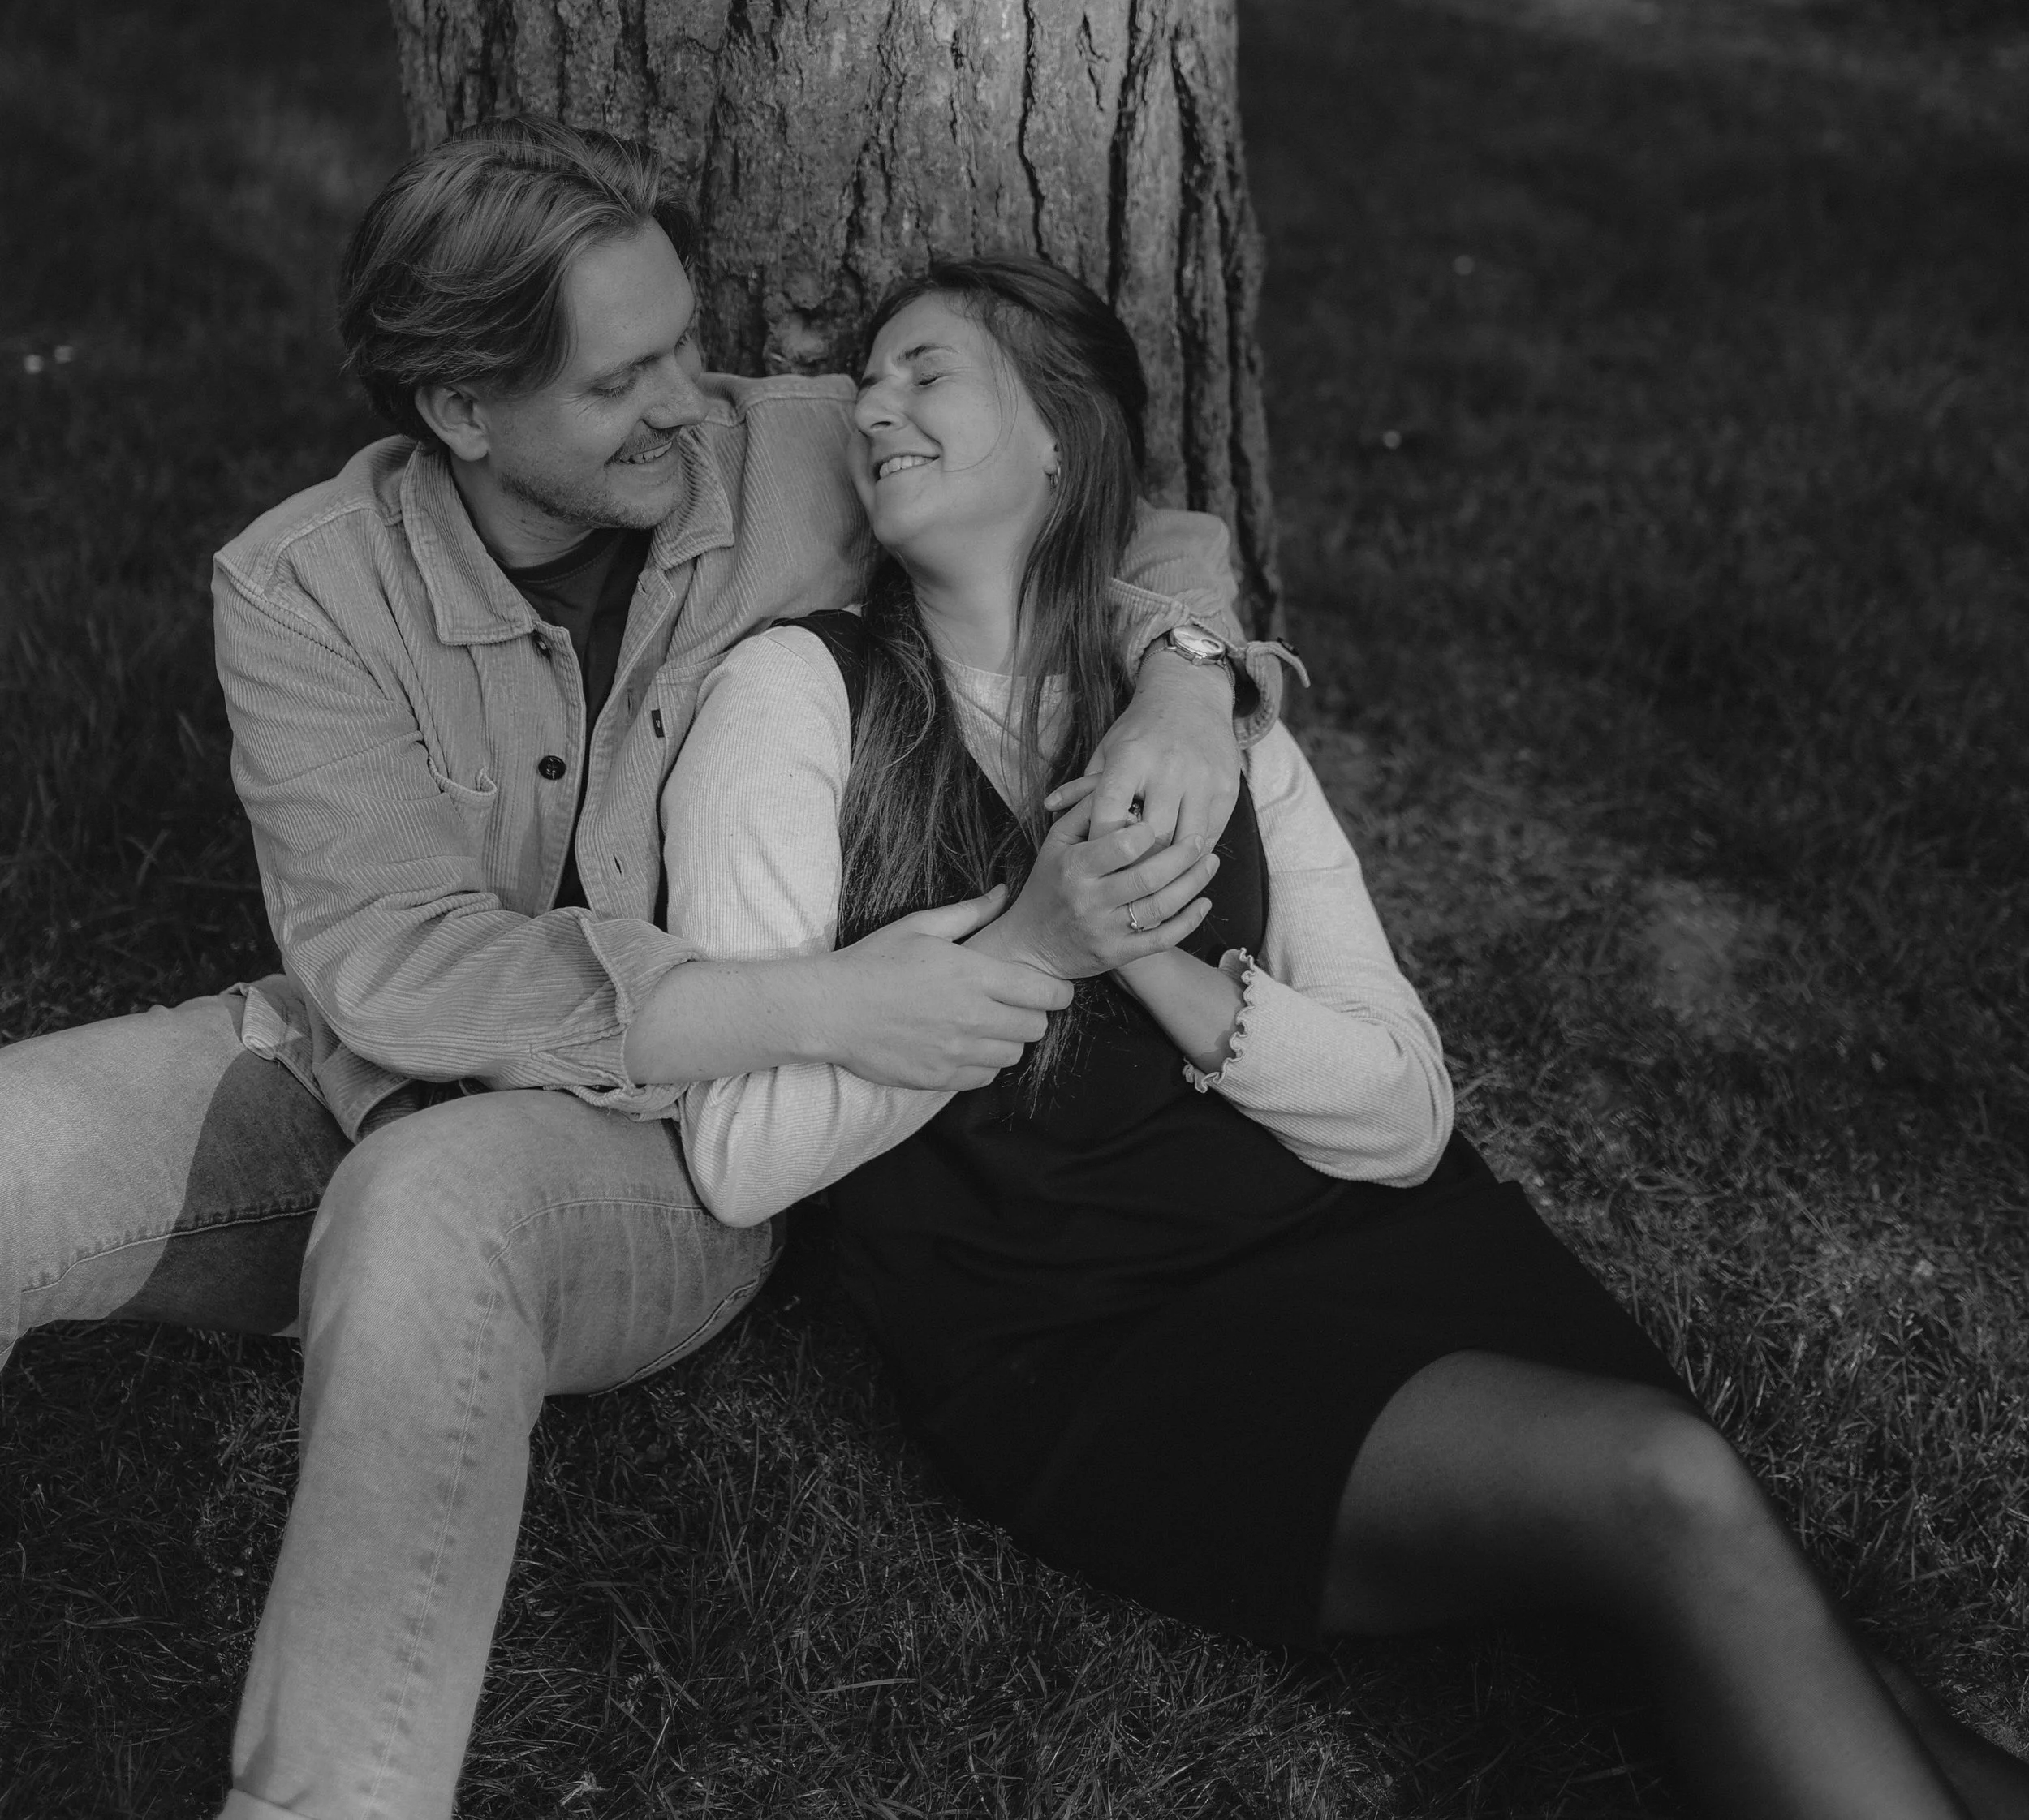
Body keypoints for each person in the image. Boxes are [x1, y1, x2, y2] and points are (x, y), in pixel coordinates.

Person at [0, 120, 1282, 1820]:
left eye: (687, 341)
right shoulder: (304, 588)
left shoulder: (796, 449)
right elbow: (391, 960)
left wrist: (1189, 678)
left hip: (654, 1152)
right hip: (352, 1069)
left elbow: (1133, 515)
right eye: (622, 383)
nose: (692, 400)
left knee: (434, 1200)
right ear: (461, 412)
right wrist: (824, 1006)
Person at [657, 252, 2029, 1820]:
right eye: (867, 383)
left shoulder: (1197, 700)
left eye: (924, 371)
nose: (872, 408)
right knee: (1666, 1489)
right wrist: (1034, 947)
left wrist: (1173, 972)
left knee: (1820, 1646)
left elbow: (1405, 1111)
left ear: (1061, 436)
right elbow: (737, 1149)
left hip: (1376, 1232)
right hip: (1099, 1344)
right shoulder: (797, 699)